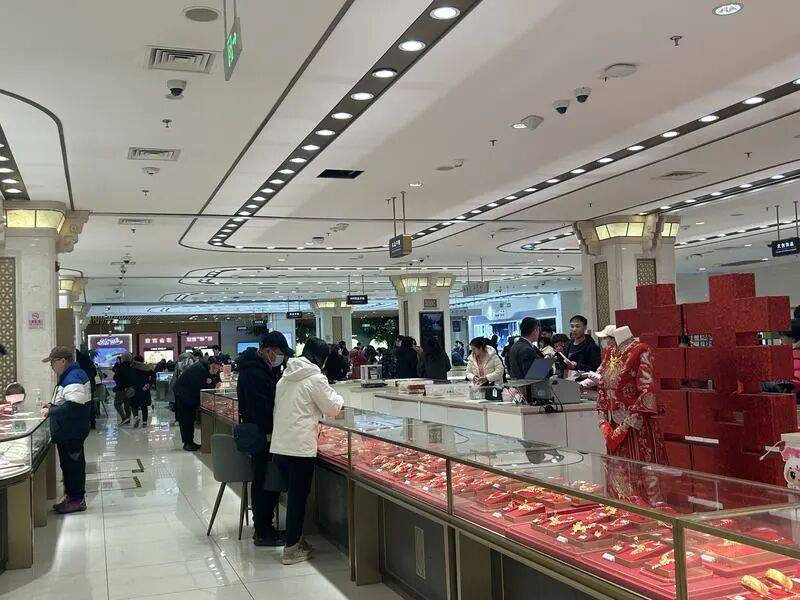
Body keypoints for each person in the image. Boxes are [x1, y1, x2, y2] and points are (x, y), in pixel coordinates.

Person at [270, 337, 344, 565]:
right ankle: (291, 549)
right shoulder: (315, 378)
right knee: (298, 500)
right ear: (321, 358)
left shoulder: (285, 378)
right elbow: (333, 408)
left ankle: (296, 540)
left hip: (281, 446)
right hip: (300, 448)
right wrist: (340, 397)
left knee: (292, 497)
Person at [237, 332, 291, 547]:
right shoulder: (255, 372)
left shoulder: (259, 368)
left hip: (264, 433)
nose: (281, 357)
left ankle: (264, 526)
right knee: (265, 481)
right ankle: (263, 531)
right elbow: (261, 407)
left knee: (264, 480)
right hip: (262, 435)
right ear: (269, 350)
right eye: (280, 352)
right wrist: (274, 428)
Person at [41, 347, 92, 514]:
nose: (51, 366)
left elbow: (74, 407)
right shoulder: (70, 376)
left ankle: (77, 500)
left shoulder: (73, 377)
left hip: (71, 431)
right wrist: (52, 406)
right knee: (69, 466)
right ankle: (71, 498)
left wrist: (51, 411)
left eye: (52, 362)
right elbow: (67, 402)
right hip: (68, 431)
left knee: (73, 467)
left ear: (63, 361)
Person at [173, 355, 222, 451]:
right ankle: (188, 443)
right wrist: (211, 384)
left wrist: (214, 382)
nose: (215, 370)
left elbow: (215, 380)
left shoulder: (210, 368)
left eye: (217, 368)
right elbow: (199, 387)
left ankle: (189, 442)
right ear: (209, 364)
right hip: (183, 394)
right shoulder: (199, 369)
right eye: (213, 367)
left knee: (190, 418)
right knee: (186, 418)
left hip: (190, 393)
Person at [75, 349, 98, 430]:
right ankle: (92, 423)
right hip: (90, 385)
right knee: (90, 404)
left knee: (81, 404)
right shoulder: (88, 361)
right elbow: (95, 372)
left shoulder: (77, 363)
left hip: (81, 386)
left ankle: (83, 423)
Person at [131, 356, 154, 428]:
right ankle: (144, 422)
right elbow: (154, 376)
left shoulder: (132, 368)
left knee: (134, 405)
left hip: (135, 388)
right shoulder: (146, 368)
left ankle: (136, 417)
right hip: (144, 388)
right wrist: (149, 384)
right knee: (144, 406)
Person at [112, 353, 135, 425]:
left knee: (117, 404)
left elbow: (115, 378)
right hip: (130, 388)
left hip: (121, 389)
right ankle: (128, 419)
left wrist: (116, 387)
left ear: (123, 359)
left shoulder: (120, 367)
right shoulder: (132, 367)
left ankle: (124, 418)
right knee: (127, 405)